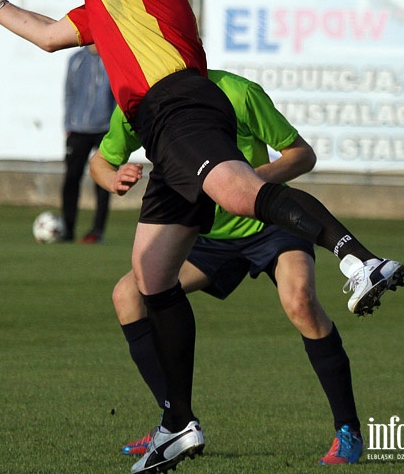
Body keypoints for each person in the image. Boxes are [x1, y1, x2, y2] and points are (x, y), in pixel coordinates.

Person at [0, 0, 404, 473]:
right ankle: (178, 424)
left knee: (239, 194)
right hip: (158, 121)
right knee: (150, 280)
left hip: (177, 103)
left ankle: (358, 258)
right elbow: (50, 35)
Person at [90, 69, 367, 465]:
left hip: (268, 224)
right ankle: (175, 421)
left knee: (301, 302)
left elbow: (301, 154)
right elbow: (99, 161)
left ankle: (348, 430)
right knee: (128, 296)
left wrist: (246, 182)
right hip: (205, 235)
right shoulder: (141, 104)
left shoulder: (237, 92)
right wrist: (113, 177)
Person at [61, 45, 116, 243]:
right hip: (77, 129)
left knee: (103, 180)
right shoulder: (76, 59)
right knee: (71, 179)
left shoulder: (112, 58)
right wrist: (68, 123)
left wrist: (116, 127)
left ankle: (97, 231)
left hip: (105, 130)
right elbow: (69, 92)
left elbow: (119, 94)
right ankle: (67, 229)